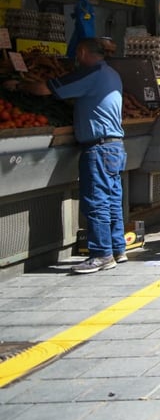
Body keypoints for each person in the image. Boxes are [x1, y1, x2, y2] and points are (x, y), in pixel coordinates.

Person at [27, 38, 127, 274]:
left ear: (82, 52)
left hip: (98, 148)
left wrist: (20, 86)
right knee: (112, 199)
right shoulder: (112, 74)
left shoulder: (90, 73)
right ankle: (117, 248)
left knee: (96, 201)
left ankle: (102, 254)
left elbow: (45, 88)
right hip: (115, 146)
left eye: (76, 53)